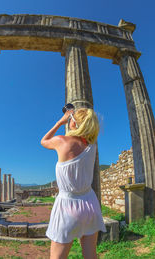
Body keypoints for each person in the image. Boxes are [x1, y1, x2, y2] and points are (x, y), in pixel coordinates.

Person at [40, 105, 106, 259]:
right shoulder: (92, 146)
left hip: (67, 205)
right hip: (90, 203)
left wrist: (60, 122)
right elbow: (84, 137)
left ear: (75, 123)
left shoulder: (62, 141)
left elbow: (44, 141)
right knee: (90, 255)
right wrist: (72, 119)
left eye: (71, 119)